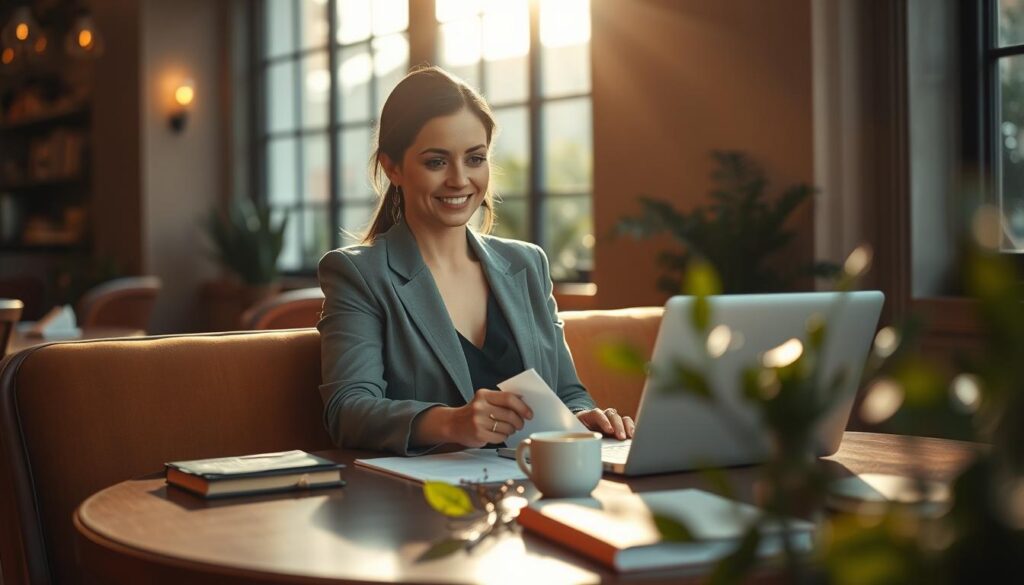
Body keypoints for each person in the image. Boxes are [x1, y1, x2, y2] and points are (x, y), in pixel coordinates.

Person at [317, 66, 633, 455]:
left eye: (475, 158)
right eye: (436, 162)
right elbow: (348, 411)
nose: (459, 179)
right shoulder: (359, 274)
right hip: (429, 501)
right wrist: (452, 422)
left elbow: (567, 392)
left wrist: (582, 420)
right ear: (392, 167)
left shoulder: (527, 264)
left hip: (537, 487)